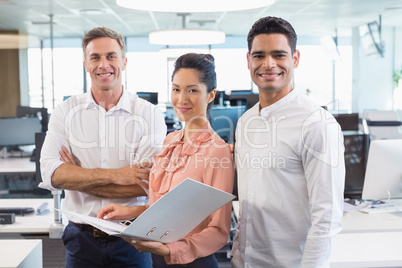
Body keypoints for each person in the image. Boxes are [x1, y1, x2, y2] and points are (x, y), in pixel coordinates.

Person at [39, 27, 167, 267]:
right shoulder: (65, 112)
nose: (103, 64)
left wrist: (78, 177)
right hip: (80, 240)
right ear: (86, 63)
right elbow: (52, 174)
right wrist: (120, 175)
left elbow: (146, 184)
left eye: (111, 56)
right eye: (95, 57)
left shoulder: (149, 114)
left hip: (132, 239)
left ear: (124, 61)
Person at [97, 53, 234, 267]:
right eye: (176, 89)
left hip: (193, 262)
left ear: (210, 95)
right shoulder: (171, 141)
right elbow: (168, 210)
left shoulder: (216, 151)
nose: (182, 99)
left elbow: (219, 231)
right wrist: (129, 212)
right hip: (158, 260)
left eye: (193, 90)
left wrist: (172, 249)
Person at [231, 17, 345, 267]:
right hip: (246, 261)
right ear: (248, 61)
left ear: (295, 59)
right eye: (259, 55)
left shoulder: (317, 123)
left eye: (279, 55)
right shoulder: (246, 121)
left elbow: (328, 216)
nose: (268, 64)